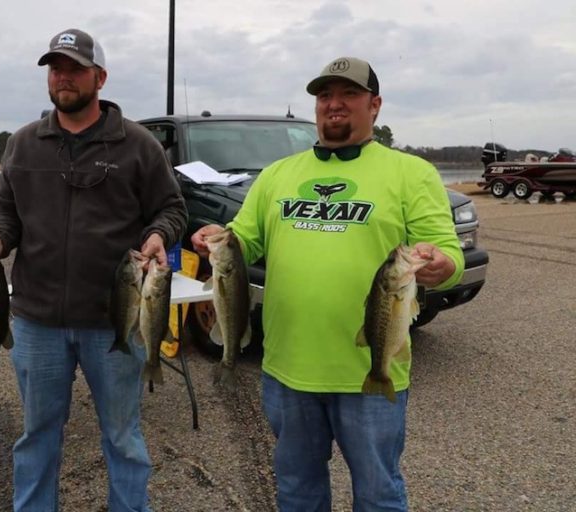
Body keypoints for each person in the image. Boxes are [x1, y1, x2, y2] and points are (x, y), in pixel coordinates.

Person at [191, 57, 465, 511]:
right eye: (324, 96)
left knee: (378, 493)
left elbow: (447, 252)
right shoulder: (277, 175)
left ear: (374, 105)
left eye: (349, 95)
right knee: (298, 491)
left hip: (369, 369)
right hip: (287, 369)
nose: (334, 105)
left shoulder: (411, 173)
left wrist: (442, 265)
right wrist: (217, 241)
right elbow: (245, 243)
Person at [0, 28, 187, 512]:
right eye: (55, 68)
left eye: (74, 68)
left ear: (99, 77)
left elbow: (171, 209)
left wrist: (157, 236)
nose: (62, 77)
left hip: (114, 323)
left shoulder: (138, 144)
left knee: (122, 436)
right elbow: (7, 216)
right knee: (37, 434)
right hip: (37, 322)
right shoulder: (23, 143)